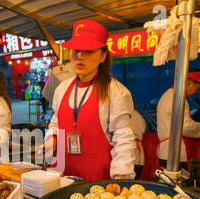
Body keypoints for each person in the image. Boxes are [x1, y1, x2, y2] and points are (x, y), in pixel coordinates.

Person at [38, 20, 136, 181]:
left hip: (98, 176)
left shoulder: (116, 91)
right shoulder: (62, 88)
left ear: (103, 55)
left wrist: (121, 174)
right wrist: (52, 139)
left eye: (88, 51)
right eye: (76, 50)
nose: (80, 56)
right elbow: (56, 122)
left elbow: (123, 136)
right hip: (63, 173)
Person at [157, 68, 200, 170]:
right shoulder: (178, 98)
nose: (195, 92)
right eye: (197, 88)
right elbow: (186, 127)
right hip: (174, 152)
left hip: (167, 151)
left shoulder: (168, 95)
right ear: (188, 83)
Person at [129, 109, 146, 179]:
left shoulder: (123, 114)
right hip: (139, 156)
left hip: (127, 152)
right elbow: (143, 129)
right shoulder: (139, 116)